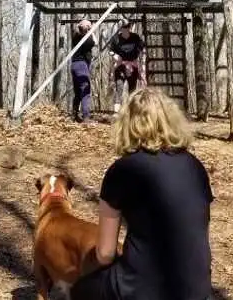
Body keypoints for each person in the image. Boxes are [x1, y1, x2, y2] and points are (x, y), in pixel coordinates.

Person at [70, 87, 214, 300]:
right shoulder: (195, 167)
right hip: (197, 290)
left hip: (142, 289)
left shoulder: (122, 170)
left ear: (127, 125)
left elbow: (105, 253)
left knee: (80, 291)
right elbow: (198, 234)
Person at [109, 19, 145, 113]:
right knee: (119, 87)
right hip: (120, 65)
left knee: (132, 90)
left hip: (132, 66)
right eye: (123, 27)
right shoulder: (115, 38)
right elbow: (111, 50)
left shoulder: (135, 37)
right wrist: (114, 55)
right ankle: (116, 112)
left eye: (127, 27)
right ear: (120, 28)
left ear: (129, 27)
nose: (125, 29)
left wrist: (140, 63)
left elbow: (142, 48)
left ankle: (132, 111)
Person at [71, 18, 95, 123]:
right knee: (85, 90)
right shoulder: (84, 38)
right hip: (81, 65)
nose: (89, 27)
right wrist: (91, 30)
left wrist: (86, 27)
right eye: (88, 26)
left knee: (78, 91)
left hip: (74, 65)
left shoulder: (76, 36)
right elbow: (96, 42)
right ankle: (86, 117)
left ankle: (74, 115)